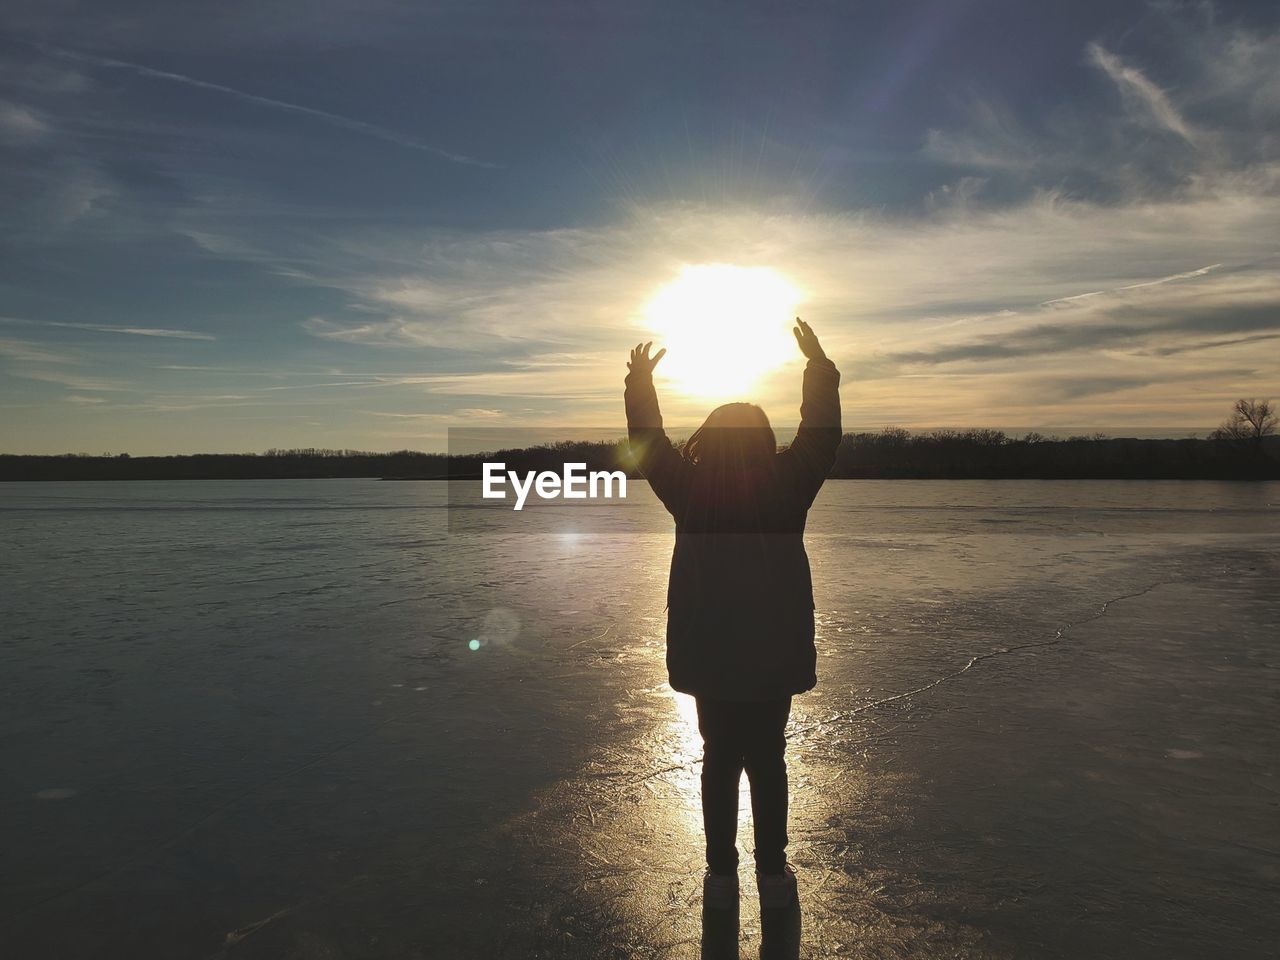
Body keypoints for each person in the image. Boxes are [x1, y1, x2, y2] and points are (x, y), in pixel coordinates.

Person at [623, 319, 841, 954]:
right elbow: (820, 439)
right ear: (761, 440)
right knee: (767, 758)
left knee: (718, 758)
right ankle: (771, 875)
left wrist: (640, 382)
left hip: (712, 656)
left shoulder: (689, 489)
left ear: (710, 440)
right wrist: (818, 368)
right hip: (771, 657)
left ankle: (722, 876)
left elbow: (649, 442)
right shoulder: (786, 486)